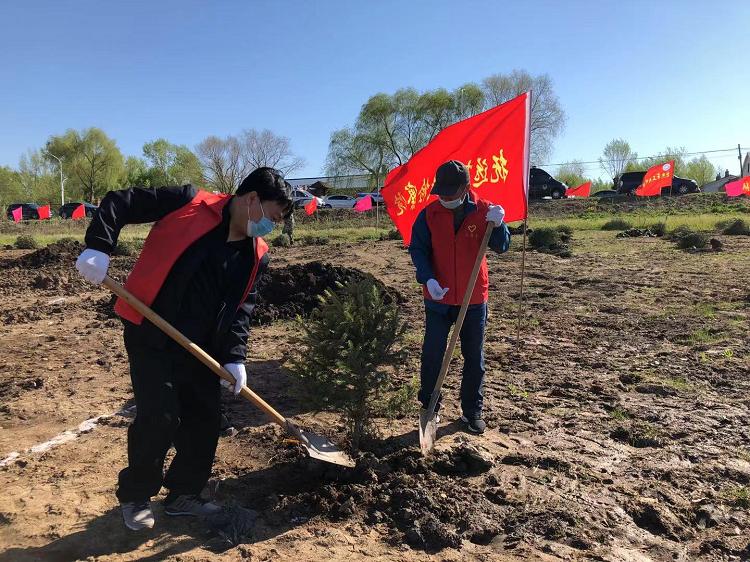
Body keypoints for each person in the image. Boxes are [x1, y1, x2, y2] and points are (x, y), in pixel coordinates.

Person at [75, 168, 292, 531]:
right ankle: (136, 495)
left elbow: (242, 308)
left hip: (200, 347)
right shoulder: (189, 202)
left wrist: (235, 357)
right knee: (158, 416)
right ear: (251, 199)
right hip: (151, 331)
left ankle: (183, 496)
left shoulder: (257, 255)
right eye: (272, 216)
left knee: (205, 420)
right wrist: (99, 245)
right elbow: (120, 202)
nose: (272, 225)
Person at [408, 160, 510, 434]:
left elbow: (502, 246)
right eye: (442, 193)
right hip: (438, 299)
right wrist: (428, 278)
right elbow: (417, 250)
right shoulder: (428, 215)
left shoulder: (485, 212)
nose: (446, 198)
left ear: (466, 187)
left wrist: (499, 225)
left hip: (473, 298)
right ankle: (429, 408)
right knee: (432, 353)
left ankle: (471, 411)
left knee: (473, 356)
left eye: (451, 193)